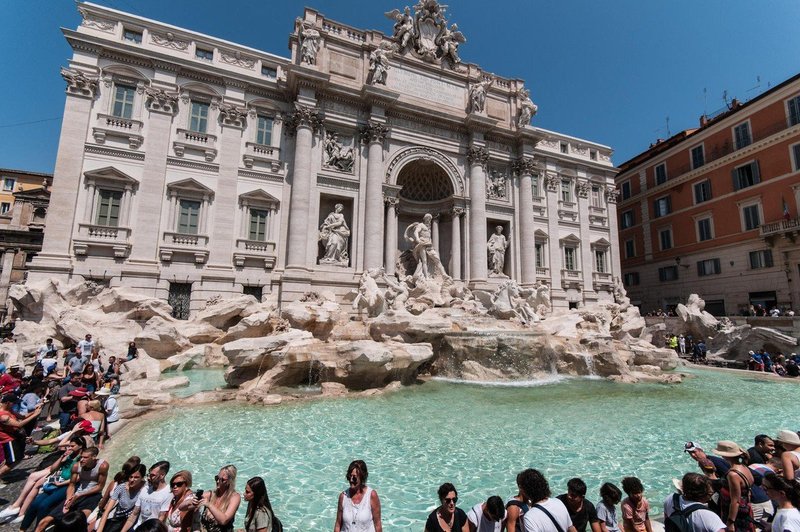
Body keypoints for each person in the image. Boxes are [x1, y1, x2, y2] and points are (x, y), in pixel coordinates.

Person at [11, 436, 87, 529]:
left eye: (72, 446)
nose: (69, 448)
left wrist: (61, 484)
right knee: (35, 503)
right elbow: (53, 469)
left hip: (67, 484)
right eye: (69, 446)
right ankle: (23, 528)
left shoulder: (82, 458)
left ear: (80, 446)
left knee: (44, 505)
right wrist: (61, 458)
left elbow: (78, 477)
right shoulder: (68, 455)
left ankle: (39, 529)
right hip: (57, 481)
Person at [36, 446, 109, 532]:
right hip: (77, 493)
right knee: (43, 522)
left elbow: (100, 486)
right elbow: (71, 484)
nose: (82, 459)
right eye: (81, 457)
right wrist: (68, 498)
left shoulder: (103, 466)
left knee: (79, 521)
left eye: (85, 457)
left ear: (94, 457)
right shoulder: (76, 466)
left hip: (93, 496)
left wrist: (80, 495)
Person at [712, 441, 754, 532]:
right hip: (746, 508)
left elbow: (735, 501)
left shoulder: (733, 474)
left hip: (736, 515)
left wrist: (730, 522)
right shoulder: (744, 467)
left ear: (725, 455)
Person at [0, 393, 42, 481]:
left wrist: (36, 410)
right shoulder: (2, 415)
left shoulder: (9, 410)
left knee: (18, 457)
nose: (15, 404)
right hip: (8, 439)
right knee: (12, 461)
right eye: (14, 402)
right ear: (8, 402)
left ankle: (3, 474)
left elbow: (23, 417)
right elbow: (19, 424)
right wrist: (35, 415)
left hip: (14, 437)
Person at [121, 461, 171, 532]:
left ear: (162, 475)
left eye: (153, 475)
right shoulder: (145, 489)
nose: (149, 477)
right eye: (149, 474)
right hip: (138, 528)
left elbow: (161, 518)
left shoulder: (168, 492)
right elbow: (134, 514)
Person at [96, 463, 146, 532]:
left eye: (136, 477)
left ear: (142, 477)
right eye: (131, 477)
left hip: (133, 520)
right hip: (117, 518)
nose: (132, 480)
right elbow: (107, 510)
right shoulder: (121, 487)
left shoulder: (145, 489)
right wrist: (99, 530)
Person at [334, 460, 381, 532]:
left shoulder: (371, 495)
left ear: (362, 477)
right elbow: (338, 525)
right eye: (349, 476)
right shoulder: (343, 496)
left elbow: (377, 525)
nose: (351, 480)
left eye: (354, 477)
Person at [196, 465, 241, 532]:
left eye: (222, 479)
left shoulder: (235, 497)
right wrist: (192, 499)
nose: (217, 481)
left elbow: (224, 520)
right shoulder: (211, 494)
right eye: (217, 478)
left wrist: (209, 505)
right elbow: (190, 500)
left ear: (230, 481)